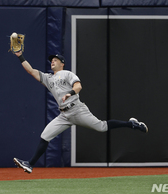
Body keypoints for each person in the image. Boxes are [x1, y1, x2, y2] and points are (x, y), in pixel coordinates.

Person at [13, 51, 148, 173]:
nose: (52, 61)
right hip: (64, 116)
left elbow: (78, 86)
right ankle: (30, 164)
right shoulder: (49, 79)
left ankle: (132, 124)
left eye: (55, 59)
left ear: (62, 63)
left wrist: (70, 94)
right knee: (45, 136)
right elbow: (31, 71)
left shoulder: (67, 74)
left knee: (101, 127)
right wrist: (20, 56)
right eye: (51, 60)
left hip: (77, 109)